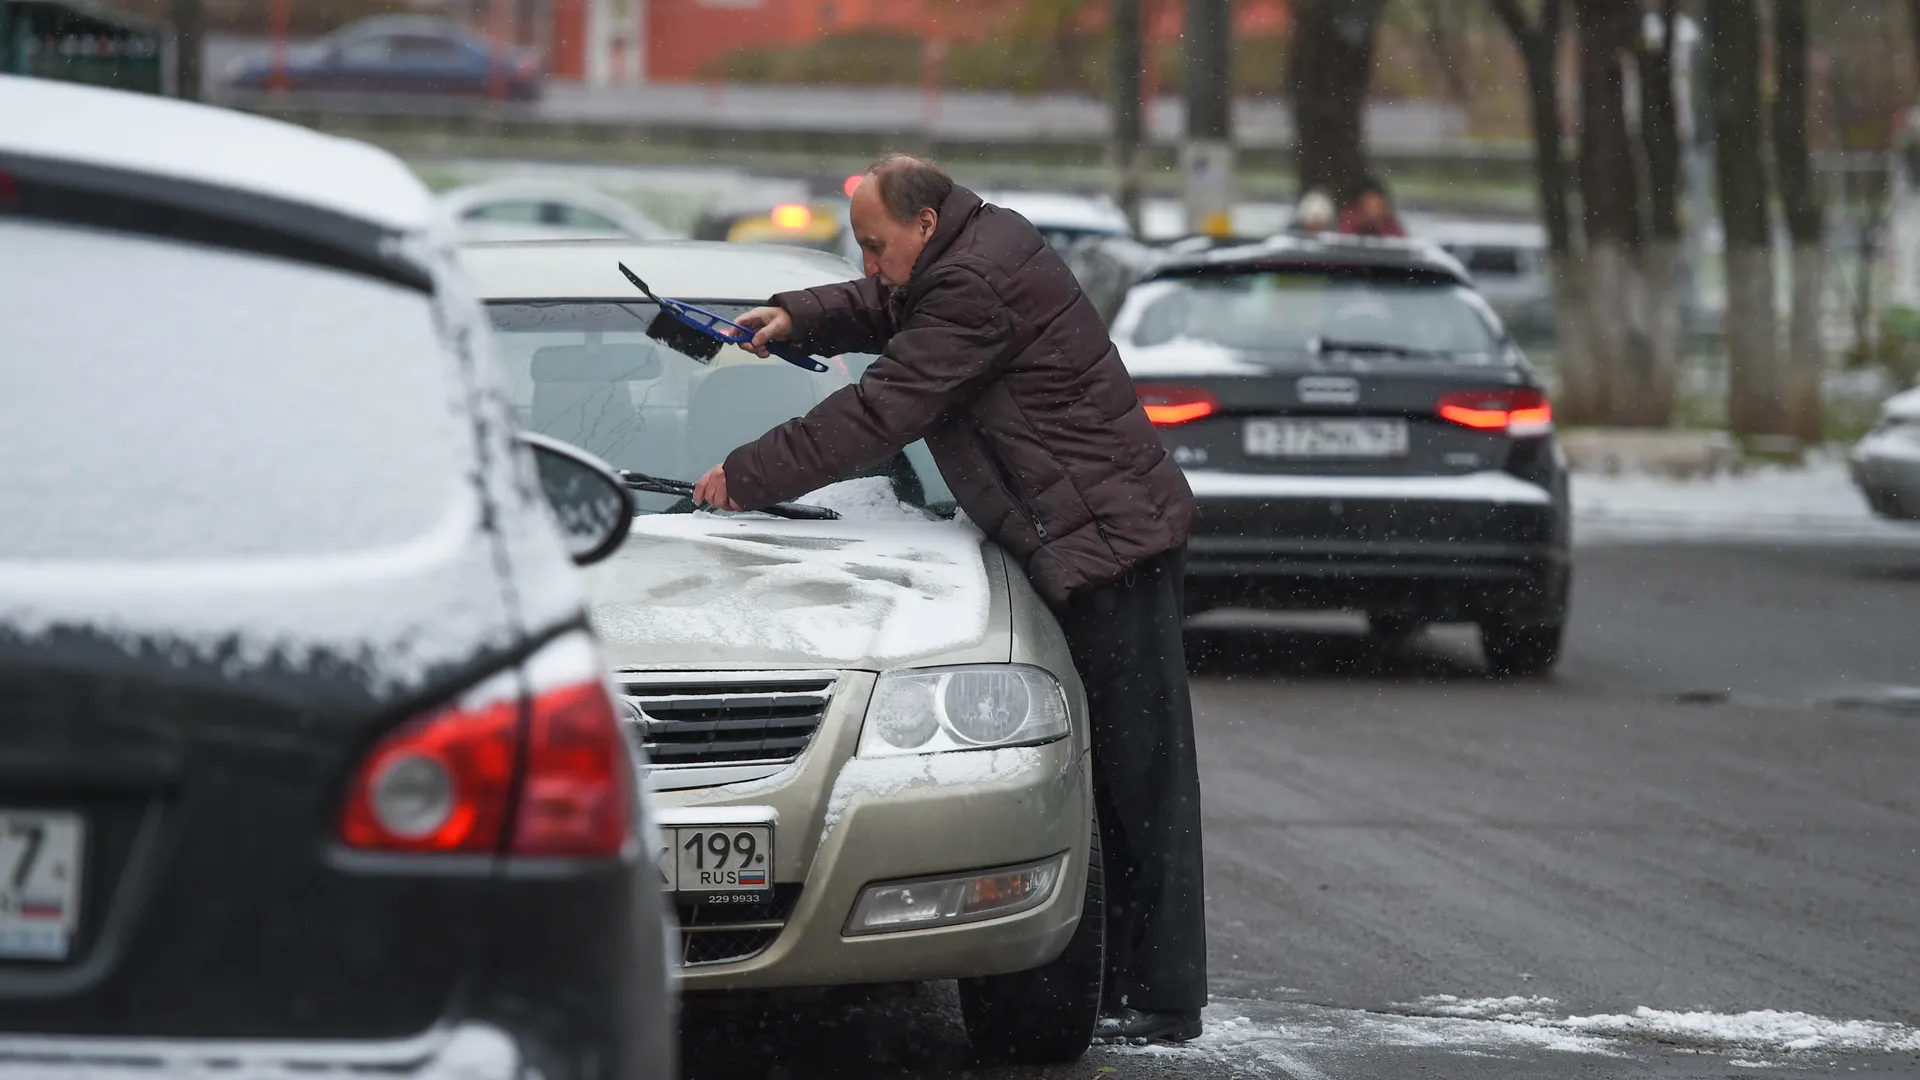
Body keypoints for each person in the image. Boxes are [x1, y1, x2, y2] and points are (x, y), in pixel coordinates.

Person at [692, 154, 1208, 1044]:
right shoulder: (967, 249)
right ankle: (1130, 983)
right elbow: (886, 304)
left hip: (1110, 544)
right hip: (1088, 533)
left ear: (925, 226)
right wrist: (797, 313)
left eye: (875, 245)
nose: (867, 266)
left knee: (1139, 777)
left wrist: (746, 475)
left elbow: (883, 410)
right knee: (1115, 772)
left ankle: (1161, 996)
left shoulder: (972, 285)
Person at [1338, 175, 1407, 238]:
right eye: (1373, 205)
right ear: (1360, 205)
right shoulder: (1349, 220)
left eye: (1380, 205)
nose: (1378, 209)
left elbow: (1398, 242)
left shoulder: (1389, 222)